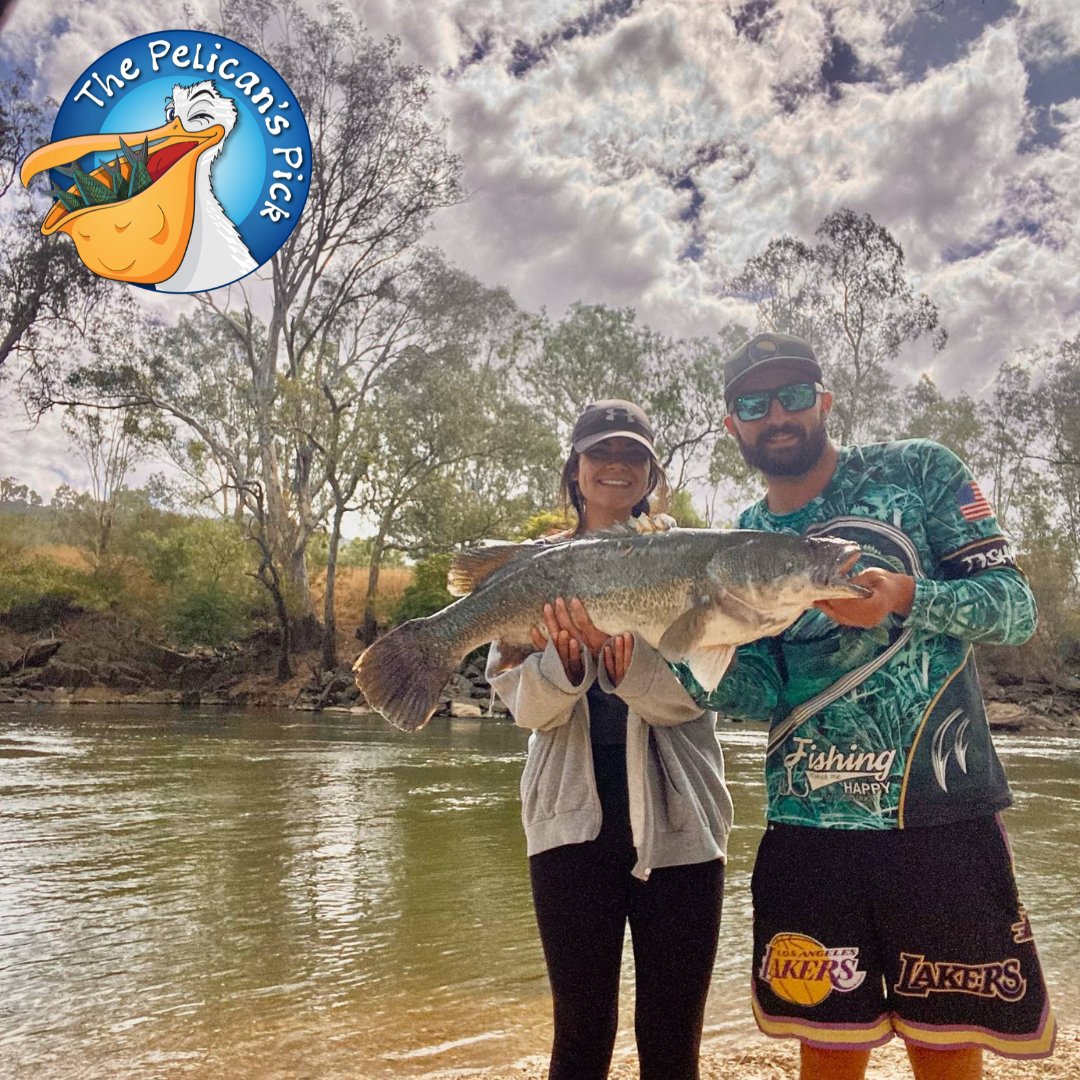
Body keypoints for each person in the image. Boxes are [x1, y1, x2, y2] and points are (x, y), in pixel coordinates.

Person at [676, 332, 1056, 1080]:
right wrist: (678, 659)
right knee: (827, 1054)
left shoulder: (919, 470)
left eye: (791, 394)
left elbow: (1015, 609)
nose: (775, 414)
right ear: (733, 426)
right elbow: (760, 692)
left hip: (941, 819)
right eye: (753, 403)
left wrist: (907, 598)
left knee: (946, 1051)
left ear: (824, 399)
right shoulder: (740, 544)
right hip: (808, 828)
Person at [486, 399, 733, 1080]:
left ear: (651, 472)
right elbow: (527, 712)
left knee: (673, 1041)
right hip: (570, 830)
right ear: (576, 469)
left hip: (682, 825)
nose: (616, 467)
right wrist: (568, 664)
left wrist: (627, 666)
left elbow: (694, 699)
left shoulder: (695, 564)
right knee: (580, 1035)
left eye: (633, 457)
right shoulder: (532, 572)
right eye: (601, 454)